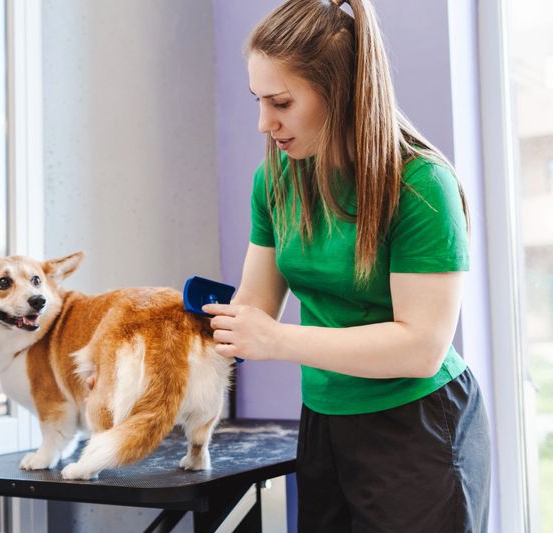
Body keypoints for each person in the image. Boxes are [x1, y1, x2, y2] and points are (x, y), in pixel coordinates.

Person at [202, 0, 491, 531]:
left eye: (281, 103)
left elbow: (421, 348)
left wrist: (277, 341)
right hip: (325, 423)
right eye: (258, 101)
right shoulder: (278, 180)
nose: (265, 123)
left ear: (339, 92)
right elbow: (254, 306)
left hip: (417, 425)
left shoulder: (420, 185)